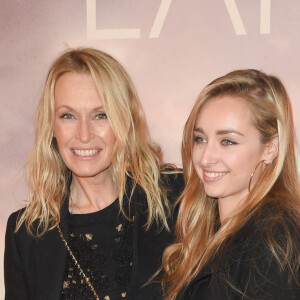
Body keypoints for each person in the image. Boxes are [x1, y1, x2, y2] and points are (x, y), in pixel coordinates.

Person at [4, 47, 183, 300]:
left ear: (124, 120)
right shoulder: (27, 234)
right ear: (51, 127)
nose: (84, 135)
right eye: (68, 116)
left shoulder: (175, 197)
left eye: (101, 115)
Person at [161, 69, 300, 299]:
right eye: (200, 139)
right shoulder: (204, 224)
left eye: (227, 141)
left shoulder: (276, 241)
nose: (205, 158)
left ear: (270, 148)